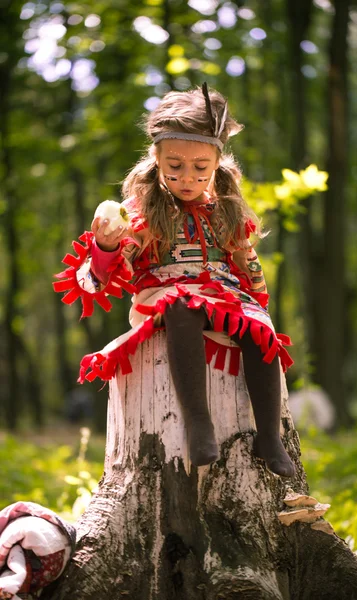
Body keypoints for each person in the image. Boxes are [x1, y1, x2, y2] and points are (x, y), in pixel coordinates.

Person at [54, 83, 295, 477]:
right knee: (183, 307)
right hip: (164, 293)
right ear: (157, 158)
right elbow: (94, 282)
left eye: (200, 168)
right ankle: (199, 423)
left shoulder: (226, 211)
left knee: (259, 328)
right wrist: (105, 246)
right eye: (175, 166)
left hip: (224, 294)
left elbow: (246, 262)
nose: (187, 178)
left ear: (217, 163)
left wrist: (258, 304)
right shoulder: (140, 212)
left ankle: (269, 436)